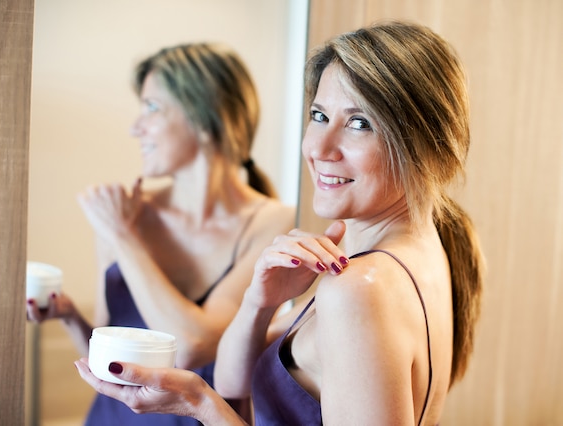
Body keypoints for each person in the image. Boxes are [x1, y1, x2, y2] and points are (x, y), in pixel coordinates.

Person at [74, 20, 485, 425]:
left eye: (359, 123)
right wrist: (260, 301)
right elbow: (237, 381)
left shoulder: (361, 287)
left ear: (426, 144)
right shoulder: (406, 254)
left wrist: (200, 403)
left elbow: (221, 388)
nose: (320, 148)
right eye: (319, 115)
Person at [27, 42, 295, 425]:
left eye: (151, 107)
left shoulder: (272, 223)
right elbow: (105, 357)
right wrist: (69, 315)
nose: (135, 128)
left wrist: (123, 235)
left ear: (205, 115)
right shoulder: (127, 213)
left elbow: (191, 345)